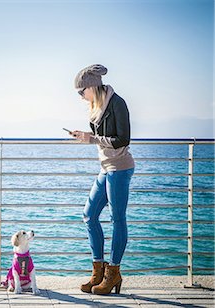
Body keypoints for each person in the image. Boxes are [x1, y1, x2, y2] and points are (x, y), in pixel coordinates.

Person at [70, 64, 135, 295]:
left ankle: (114, 272)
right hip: (106, 168)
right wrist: (88, 137)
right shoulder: (96, 106)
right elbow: (100, 138)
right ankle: (98, 271)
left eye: (81, 91)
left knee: (118, 219)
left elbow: (123, 139)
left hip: (119, 168)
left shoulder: (117, 103)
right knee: (89, 215)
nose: (80, 95)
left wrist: (93, 139)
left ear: (91, 86)